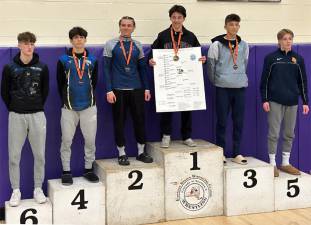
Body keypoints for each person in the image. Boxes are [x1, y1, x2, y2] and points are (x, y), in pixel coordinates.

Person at [1, 31, 49, 206]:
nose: (29, 47)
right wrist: (15, 108)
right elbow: (4, 92)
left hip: (37, 115)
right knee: (14, 155)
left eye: (32, 43)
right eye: (26, 43)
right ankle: (16, 190)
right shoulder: (9, 68)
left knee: (40, 155)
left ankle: (38, 188)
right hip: (16, 116)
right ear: (19, 45)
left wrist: (34, 107)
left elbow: (45, 92)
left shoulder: (42, 67)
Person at [149, 4, 206, 148]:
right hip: (169, 78)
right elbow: (152, 53)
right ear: (170, 18)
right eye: (174, 17)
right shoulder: (163, 35)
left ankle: (186, 136)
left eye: (179, 17)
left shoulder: (190, 36)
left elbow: (198, 55)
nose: (176, 20)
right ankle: (166, 135)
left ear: (184, 19)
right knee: (167, 107)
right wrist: (151, 60)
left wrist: (202, 60)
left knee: (187, 107)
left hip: (185, 78)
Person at [104, 16, 153, 166]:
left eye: (129, 25)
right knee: (119, 121)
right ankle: (122, 153)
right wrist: (108, 90)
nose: (126, 27)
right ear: (119, 27)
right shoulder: (110, 44)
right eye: (123, 25)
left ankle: (140, 152)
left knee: (139, 120)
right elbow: (106, 68)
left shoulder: (137, 45)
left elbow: (143, 68)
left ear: (133, 27)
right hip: (118, 90)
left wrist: (146, 88)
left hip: (137, 88)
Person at [260, 29, 309, 177]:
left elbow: (302, 82)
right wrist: (265, 99)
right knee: (274, 133)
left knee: (289, 133)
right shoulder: (271, 58)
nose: (288, 41)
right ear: (279, 41)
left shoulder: (298, 59)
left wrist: (305, 102)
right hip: (274, 101)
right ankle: (272, 164)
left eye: (290, 39)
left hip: (292, 102)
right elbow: (265, 81)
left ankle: (285, 163)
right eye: (285, 39)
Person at [57, 27, 99, 185]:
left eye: (81, 37)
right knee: (66, 140)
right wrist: (66, 101)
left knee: (90, 140)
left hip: (89, 106)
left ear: (85, 40)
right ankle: (66, 171)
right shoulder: (63, 60)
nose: (78, 40)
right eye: (75, 37)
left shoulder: (93, 60)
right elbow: (60, 83)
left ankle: (88, 169)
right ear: (71, 40)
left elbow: (94, 82)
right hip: (68, 108)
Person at [207, 14, 249, 165]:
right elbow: (210, 67)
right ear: (225, 26)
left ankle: (237, 152)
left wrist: (238, 78)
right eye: (231, 24)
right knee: (222, 122)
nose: (234, 27)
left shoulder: (244, 45)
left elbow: (244, 64)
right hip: (223, 88)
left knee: (238, 121)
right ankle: (222, 152)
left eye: (237, 25)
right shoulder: (216, 45)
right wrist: (218, 81)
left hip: (240, 88)